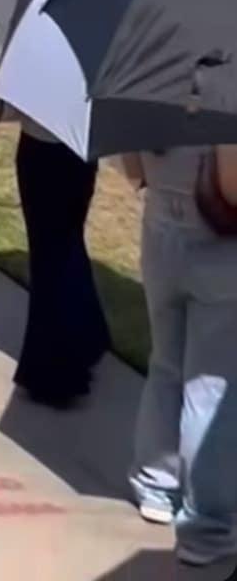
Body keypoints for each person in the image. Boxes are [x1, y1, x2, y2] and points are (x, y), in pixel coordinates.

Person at [128, 142, 237, 566]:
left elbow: (132, 167)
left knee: (166, 363)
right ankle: (208, 528)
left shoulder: (148, 96)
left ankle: (156, 484)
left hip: (160, 225)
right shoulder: (226, 103)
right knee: (210, 384)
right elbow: (231, 186)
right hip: (219, 241)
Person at [6, 112, 109, 407]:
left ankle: (58, 373)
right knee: (67, 245)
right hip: (82, 152)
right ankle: (89, 333)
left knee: (51, 257)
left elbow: (7, 108)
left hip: (43, 148)